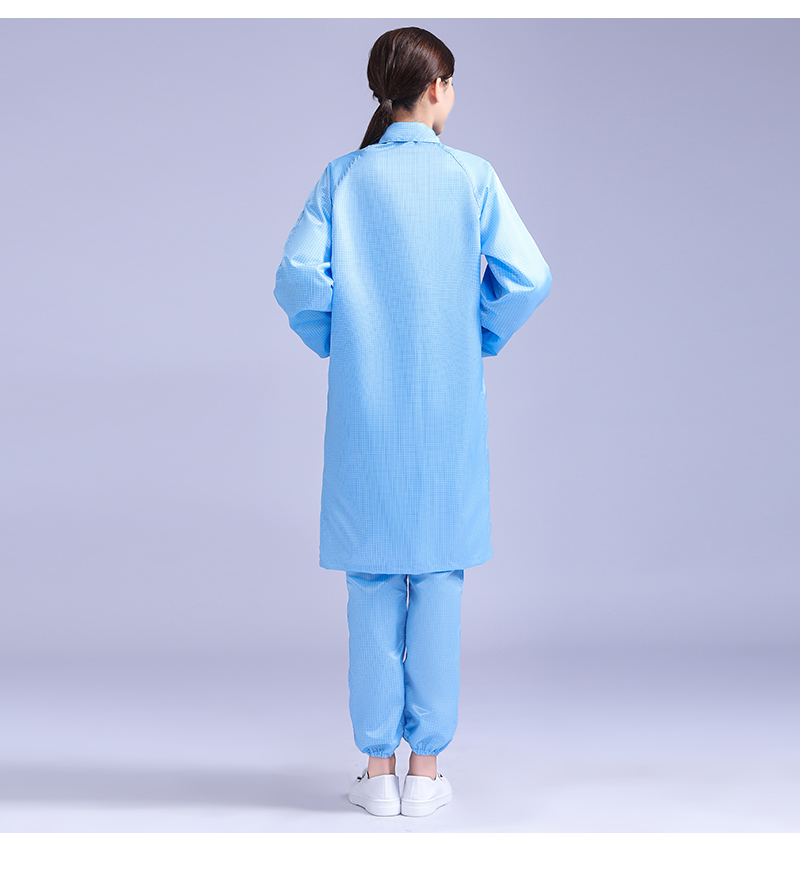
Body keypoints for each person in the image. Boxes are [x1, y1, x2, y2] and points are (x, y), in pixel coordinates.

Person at [273, 26, 552, 817]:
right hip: (446, 413)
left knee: (370, 584)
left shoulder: (343, 177)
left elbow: (296, 278)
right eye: (451, 83)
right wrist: (477, 332)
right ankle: (425, 773)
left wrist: (341, 335)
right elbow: (529, 277)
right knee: (437, 581)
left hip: (366, 416)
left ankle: (376, 771)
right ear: (435, 89)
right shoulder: (472, 178)